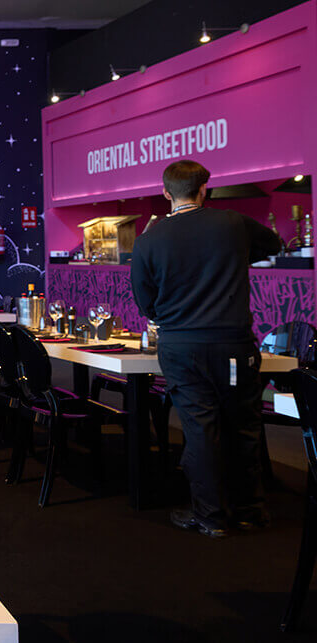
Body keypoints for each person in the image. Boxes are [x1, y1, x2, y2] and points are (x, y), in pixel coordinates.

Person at [130, 160, 282, 538]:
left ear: (166, 193)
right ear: (204, 190)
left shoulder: (149, 239)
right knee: (243, 425)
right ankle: (249, 511)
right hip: (234, 347)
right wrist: (232, 258)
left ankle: (210, 516)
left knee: (199, 429)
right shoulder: (233, 224)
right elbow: (274, 244)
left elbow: (144, 300)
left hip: (180, 347)